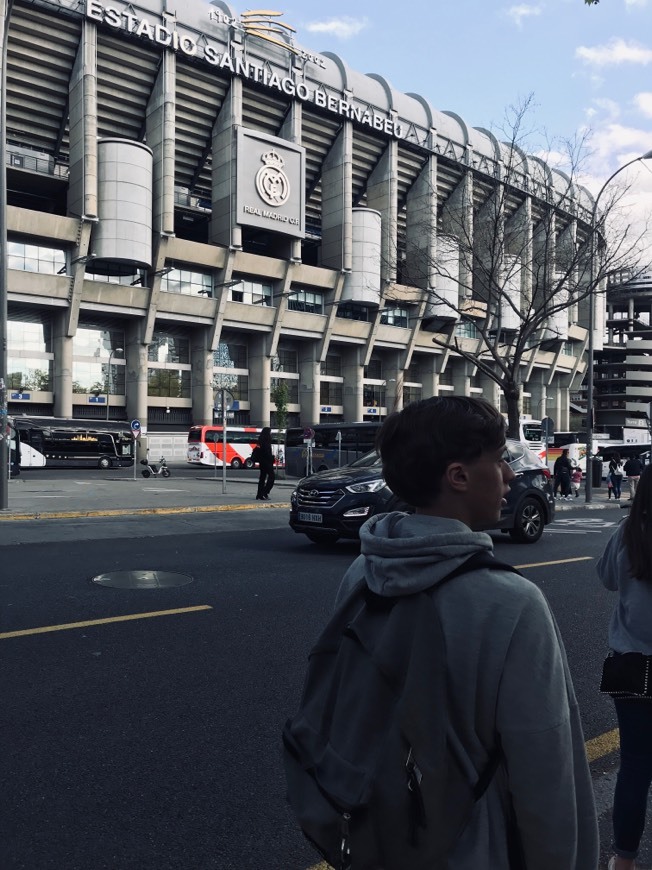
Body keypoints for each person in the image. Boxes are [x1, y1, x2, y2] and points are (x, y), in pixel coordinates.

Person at [335, 396, 598, 868]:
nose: (512, 477)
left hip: (379, 831)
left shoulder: (362, 572)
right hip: (473, 846)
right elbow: (544, 770)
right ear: (458, 476)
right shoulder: (511, 602)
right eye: (499, 462)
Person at [597, 464, 652, 870]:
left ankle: (623, 859)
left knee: (634, 764)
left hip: (631, 664)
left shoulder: (628, 533)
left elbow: (608, 580)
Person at [255, 426, 275, 501]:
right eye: (270, 432)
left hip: (261, 462)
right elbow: (266, 453)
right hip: (267, 462)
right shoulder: (267, 441)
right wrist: (272, 457)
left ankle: (259, 494)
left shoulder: (260, 440)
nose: (271, 434)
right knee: (272, 477)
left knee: (262, 478)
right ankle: (265, 492)